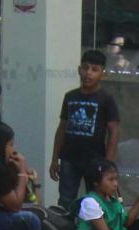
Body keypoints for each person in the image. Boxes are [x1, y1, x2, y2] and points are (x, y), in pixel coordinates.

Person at [49, 49, 120, 212]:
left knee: (96, 201)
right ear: (79, 69)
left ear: (103, 73)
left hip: (95, 160)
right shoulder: (70, 96)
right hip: (69, 158)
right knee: (66, 200)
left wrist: (108, 164)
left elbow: (114, 132)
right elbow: (62, 128)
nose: (88, 73)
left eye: (94, 69)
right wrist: (54, 159)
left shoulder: (106, 99)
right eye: (85, 68)